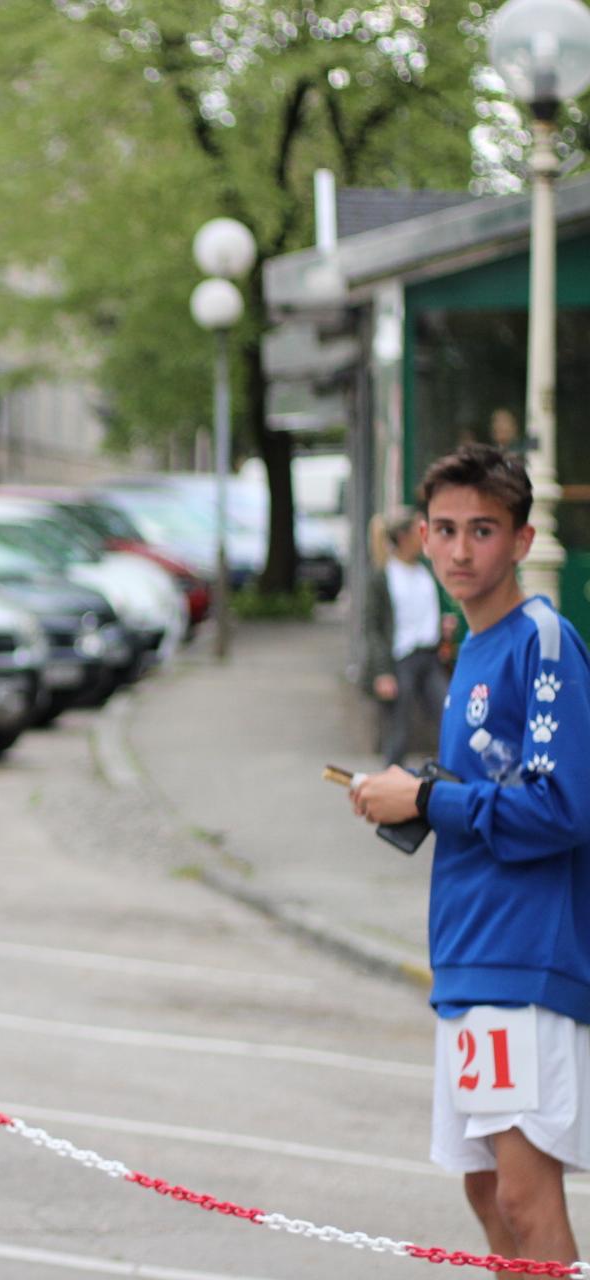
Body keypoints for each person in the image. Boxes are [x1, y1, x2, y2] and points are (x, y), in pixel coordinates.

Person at [350, 443, 590, 1269]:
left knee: (525, 1195)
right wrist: (417, 792)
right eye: (445, 530)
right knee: (485, 1192)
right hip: (468, 953)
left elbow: (563, 807)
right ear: (422, 535)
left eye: (482, 530)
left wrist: (424, 800)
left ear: (522, 541)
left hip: (524, 956)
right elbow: (493, 788)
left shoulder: (542, 641)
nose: (460, 549)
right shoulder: (473, 649)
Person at [364, 511, 449, 767]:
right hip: (401, 660)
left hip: (430, 658)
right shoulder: (384, 576)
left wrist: (442, 627)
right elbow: (374, 628)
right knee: (399, 732)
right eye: (418, 532)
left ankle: (450, 780)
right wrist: (382, 672)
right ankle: (390, 783)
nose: (425, 538)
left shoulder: (426, 572)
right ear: (402, 537)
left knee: (449, 716)